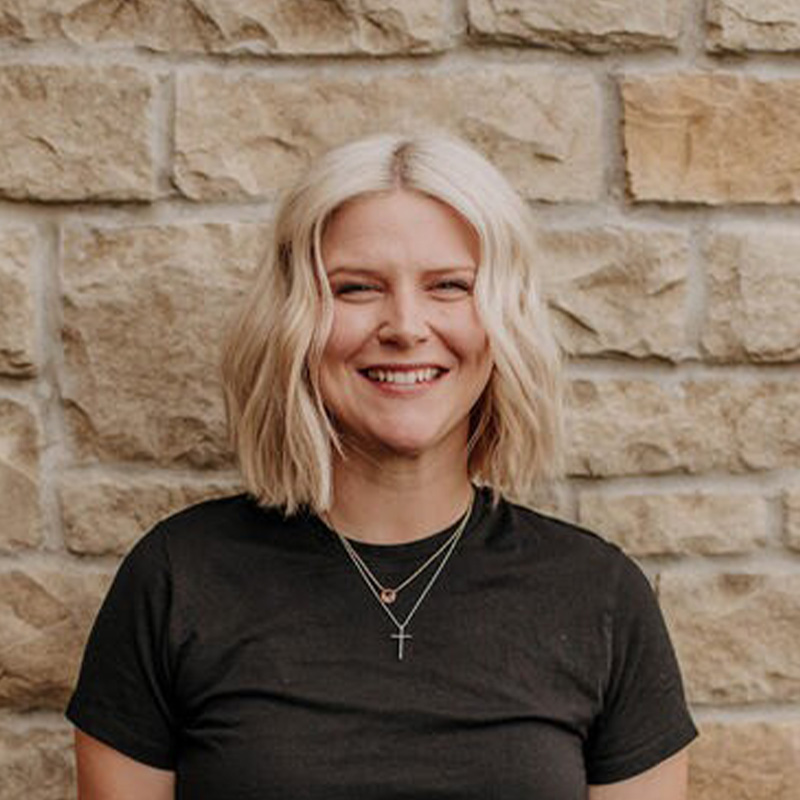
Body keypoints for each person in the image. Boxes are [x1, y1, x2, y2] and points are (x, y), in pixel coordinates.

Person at [65, 131, 698, 799]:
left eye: (449, 286)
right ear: (294, 318)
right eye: (358, 288)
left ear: (504, 319)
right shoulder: (177, 579)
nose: (405, 326)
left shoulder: (599, 597)